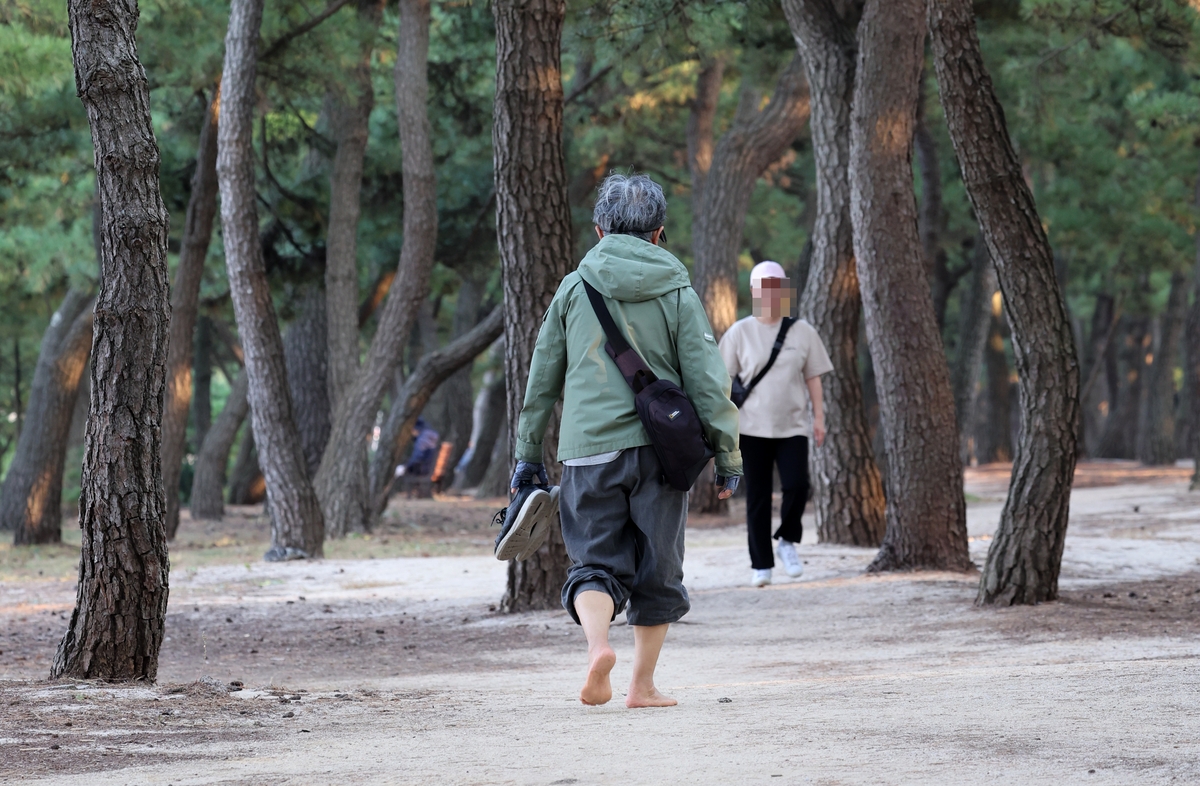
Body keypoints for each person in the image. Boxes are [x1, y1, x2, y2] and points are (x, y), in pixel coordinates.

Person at [510, 172, 741, 708]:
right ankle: (643, 685)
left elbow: (541, 379)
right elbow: (707, 378)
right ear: (659, 233)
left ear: (599, 230)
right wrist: (727, 452)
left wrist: (527, 455)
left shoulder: (574, 288)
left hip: (588, 448)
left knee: (593, 560)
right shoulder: (679, 291)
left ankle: (597, 648)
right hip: (664, 452)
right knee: (659, 568)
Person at [719, 261, 831, 588]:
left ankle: (787, 541)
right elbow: (722, 381)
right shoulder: (739, 332)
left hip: (793, 425)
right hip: (751, 428)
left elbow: (813, 377)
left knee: (797, 485)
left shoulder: (802, 331)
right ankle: (761, 564)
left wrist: (819, 417)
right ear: (754, 292)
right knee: (757, 496)